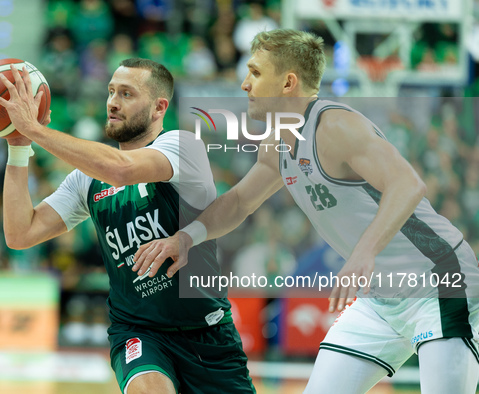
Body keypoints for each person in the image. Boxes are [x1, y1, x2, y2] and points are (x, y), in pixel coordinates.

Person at [132, 30, 479, 393]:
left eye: (255, 72)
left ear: (288, 82)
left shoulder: (337, 126)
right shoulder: (278, 141)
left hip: (440, 280)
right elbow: (238, 202)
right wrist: (188, 237)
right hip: (382, 298)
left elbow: (408, 185)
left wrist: (363, 252)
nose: (244, 83)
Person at [0, 58, 255, 394]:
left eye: (127, 94)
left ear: (159, 107)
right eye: (111, 91)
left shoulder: (182, 147)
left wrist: (35, 129)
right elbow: (20, 233)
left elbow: (121, 170)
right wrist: (18, 147)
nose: (113, 102)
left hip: (208, 333)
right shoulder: (86, 181)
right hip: (138, 330)